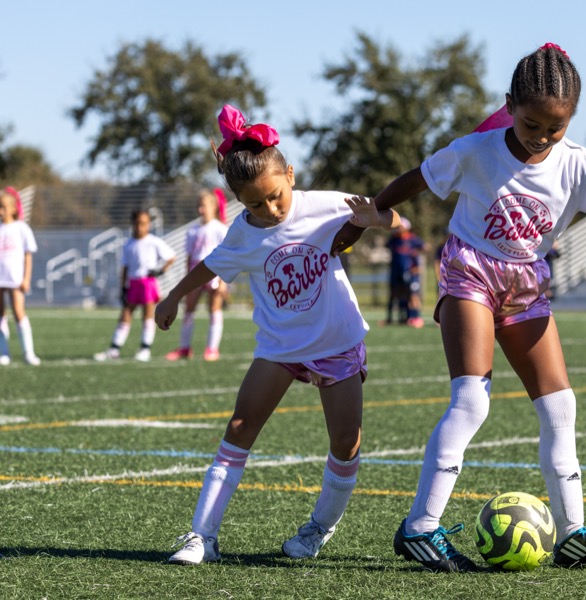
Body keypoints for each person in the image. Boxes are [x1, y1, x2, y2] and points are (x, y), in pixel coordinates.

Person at [331, 43, 586, 573]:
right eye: (531, 124)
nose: (541, 137)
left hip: (526, 285)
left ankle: (572, 534)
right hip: (470, 273)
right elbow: (416, 180)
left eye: (555, 128)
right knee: (473, 403)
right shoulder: (475, 151)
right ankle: (419, 528)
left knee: (560, 408)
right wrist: (363, 220)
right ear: (509, 106)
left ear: (571, 120)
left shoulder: (581, 166)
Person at [157, 105, 399, 566]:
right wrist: (172, 297)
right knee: (240, 426)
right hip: (280, 346)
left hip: (336, 341)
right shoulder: (243, 233)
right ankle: (200, 537)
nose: (269, 210)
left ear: (290, 174)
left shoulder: (325, 204)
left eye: (276, 197)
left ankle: (319, 529)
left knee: (346, 443)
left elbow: (391, 218)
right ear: (238, 202)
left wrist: (378, 220)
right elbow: (212, 266)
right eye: (254, 204)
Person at [94, 209, 176, 362]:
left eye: (143, 224)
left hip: (147, 283)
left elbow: (171, 257)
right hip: (132, 283)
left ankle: (145, 349)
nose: (140, 227)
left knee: (147, 315)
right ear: (132, 224)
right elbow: (124, 267)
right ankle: (114, 349)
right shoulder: (128, 244)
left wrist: (160, 271)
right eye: (137, 224)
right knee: (125, 314)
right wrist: (123, 287)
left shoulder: (154, 241)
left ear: (148, 225)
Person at [165, 188, 230, 362]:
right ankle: (185, 348)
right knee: (189, 309)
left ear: (214, 207)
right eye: (199, 206)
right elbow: (189, 256)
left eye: (204, 205)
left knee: (214, 308)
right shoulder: (192, 231)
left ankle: (212, 349)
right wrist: (187, 280)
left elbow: (226, 257)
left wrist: (223, 281)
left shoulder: (220, 229)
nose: (201, 209)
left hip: (214, 272)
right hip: (196, 270)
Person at [0, 187, 40, 366]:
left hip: (15, 278)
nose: (1, 211)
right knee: (1, 315)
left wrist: (26, 279)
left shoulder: (22, 228)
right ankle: (3, 352)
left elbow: (28, 255)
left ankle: (28, 352)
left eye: (3, 207)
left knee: (19, 312)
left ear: (14, 208)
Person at [383, 217, 425, 327]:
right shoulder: (394, 239)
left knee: (413, 295)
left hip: (410, 272)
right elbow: (387, 245)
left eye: (400, 227)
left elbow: (424, 247)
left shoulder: (412, 240)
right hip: (396, 271)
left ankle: (416, 317)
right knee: (397, 294)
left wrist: (416, 267)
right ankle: (399, 318)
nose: (398, 229)